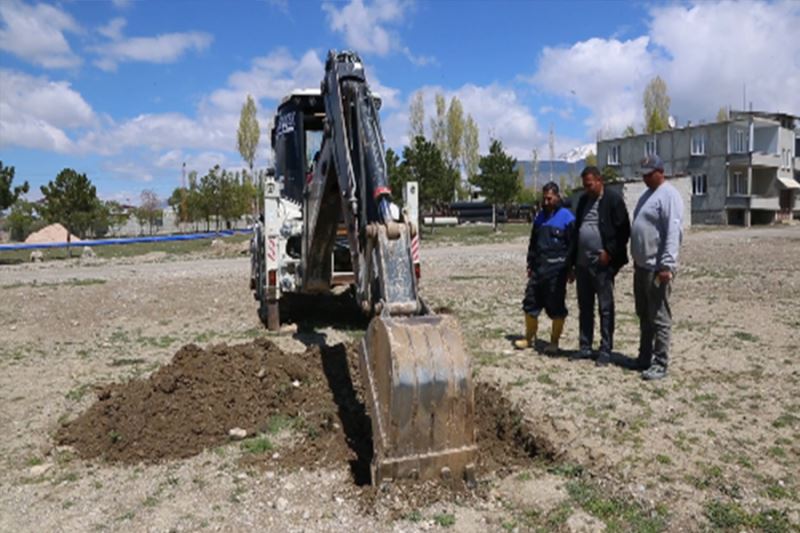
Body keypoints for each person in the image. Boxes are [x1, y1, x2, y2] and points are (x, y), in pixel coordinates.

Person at [568, 166, 630, 366]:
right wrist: (572, 264)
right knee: (585, 307)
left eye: (590, 184)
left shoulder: (612, 200)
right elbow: (577, 231)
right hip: (582, 264)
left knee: (605, 308)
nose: (587, 188)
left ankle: (605, 349)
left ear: (599, 180)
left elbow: (624, 230)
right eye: (585, 185)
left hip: (602, 265)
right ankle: (585, 346)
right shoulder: (584, 201)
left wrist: (610, 252)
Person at [631, 155, 684, 380]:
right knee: (643, 314)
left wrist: (667, 265)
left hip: (657, 268)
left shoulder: (669, 195)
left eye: (649, 173)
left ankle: (660, 362)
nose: (645, 177)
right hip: (642, 266)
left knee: (659, 315)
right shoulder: (647, 195)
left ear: (660, 171)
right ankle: (645, 356)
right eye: (643, 173)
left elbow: (673, 232)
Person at [514, 182, 575, 354]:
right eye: (544, 198)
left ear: (557, 197)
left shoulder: (567, 217)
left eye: (549, 198)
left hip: (558, 270)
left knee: (556, 307)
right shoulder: (540, 217)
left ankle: (554, 342)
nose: (546, 201)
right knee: (530, 302)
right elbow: (533, 244)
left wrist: (571, 269)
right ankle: (528, 338)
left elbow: (573, 246)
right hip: (539, 269)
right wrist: (530, 264)